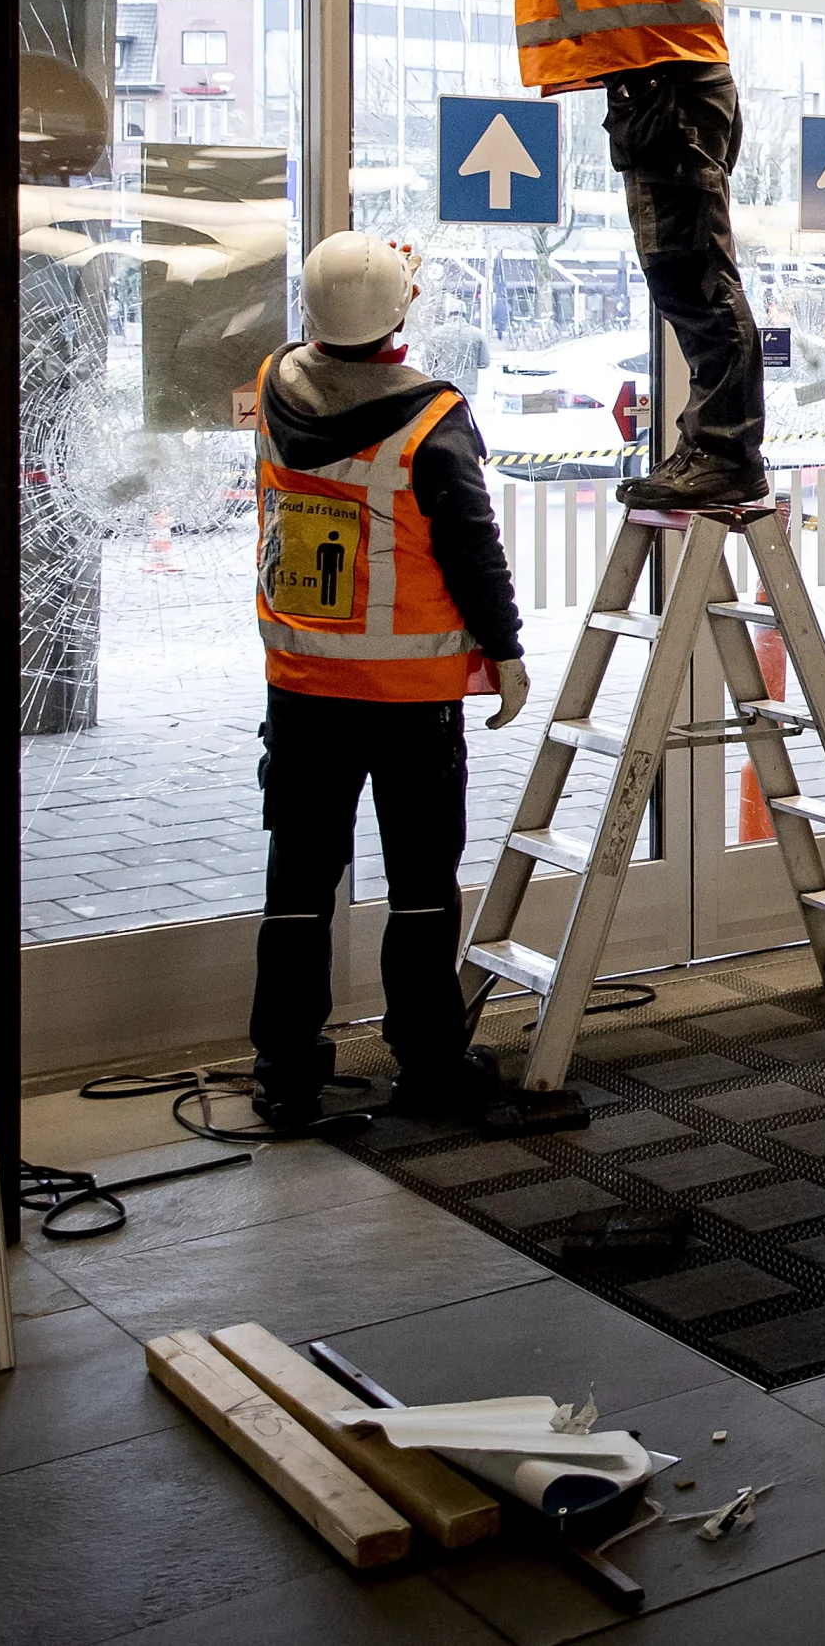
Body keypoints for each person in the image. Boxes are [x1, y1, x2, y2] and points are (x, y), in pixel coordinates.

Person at [376, 0, 768, 511]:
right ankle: (716, 451)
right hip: (668, 83)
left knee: (696, 284)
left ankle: (728, 456)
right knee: (689, 279)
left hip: (669, 86)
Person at [250, 233, 535, 1129]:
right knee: (420, 887)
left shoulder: (274, 386)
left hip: (300, 689)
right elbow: (471, 546)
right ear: (402, 315)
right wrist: (508, 652)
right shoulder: (430, 417)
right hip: (410, 703)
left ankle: (285, 1072)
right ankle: (428, 1067)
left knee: (297, 887)